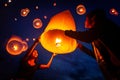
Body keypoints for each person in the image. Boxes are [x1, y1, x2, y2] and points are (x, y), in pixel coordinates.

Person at [64, 9, 120, 80]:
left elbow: (87, 37)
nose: (84, 22)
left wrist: (66, 32)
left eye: (86, 19)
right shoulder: (97, 36)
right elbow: (97, 56)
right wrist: (81, 47)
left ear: (93, 18)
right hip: (112, 72)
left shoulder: (103, 25)